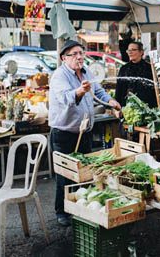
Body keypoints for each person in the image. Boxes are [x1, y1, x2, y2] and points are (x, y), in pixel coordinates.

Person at [49, 40, 120, 226]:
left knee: (86, 172)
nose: (80, 57)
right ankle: (62, 212)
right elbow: (65, 99)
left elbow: (99, 92)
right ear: (64, 58)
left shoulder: (87, 71)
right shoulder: (59, 76)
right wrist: (80, 91)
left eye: (81, 52)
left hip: (85, 132)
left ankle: (82, 208)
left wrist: (110, 102)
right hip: (64, 134)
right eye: (74, 54)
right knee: (65, 175)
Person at [115, 41, 157, 108]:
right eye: (129, 50)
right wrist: (117, 106)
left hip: (146, 108)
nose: (130, 52)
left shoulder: (149, 68)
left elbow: (154, 90)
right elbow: (119, 89)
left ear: (141, 52)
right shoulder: (124, 69)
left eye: (133, 50)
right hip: (127, 107)